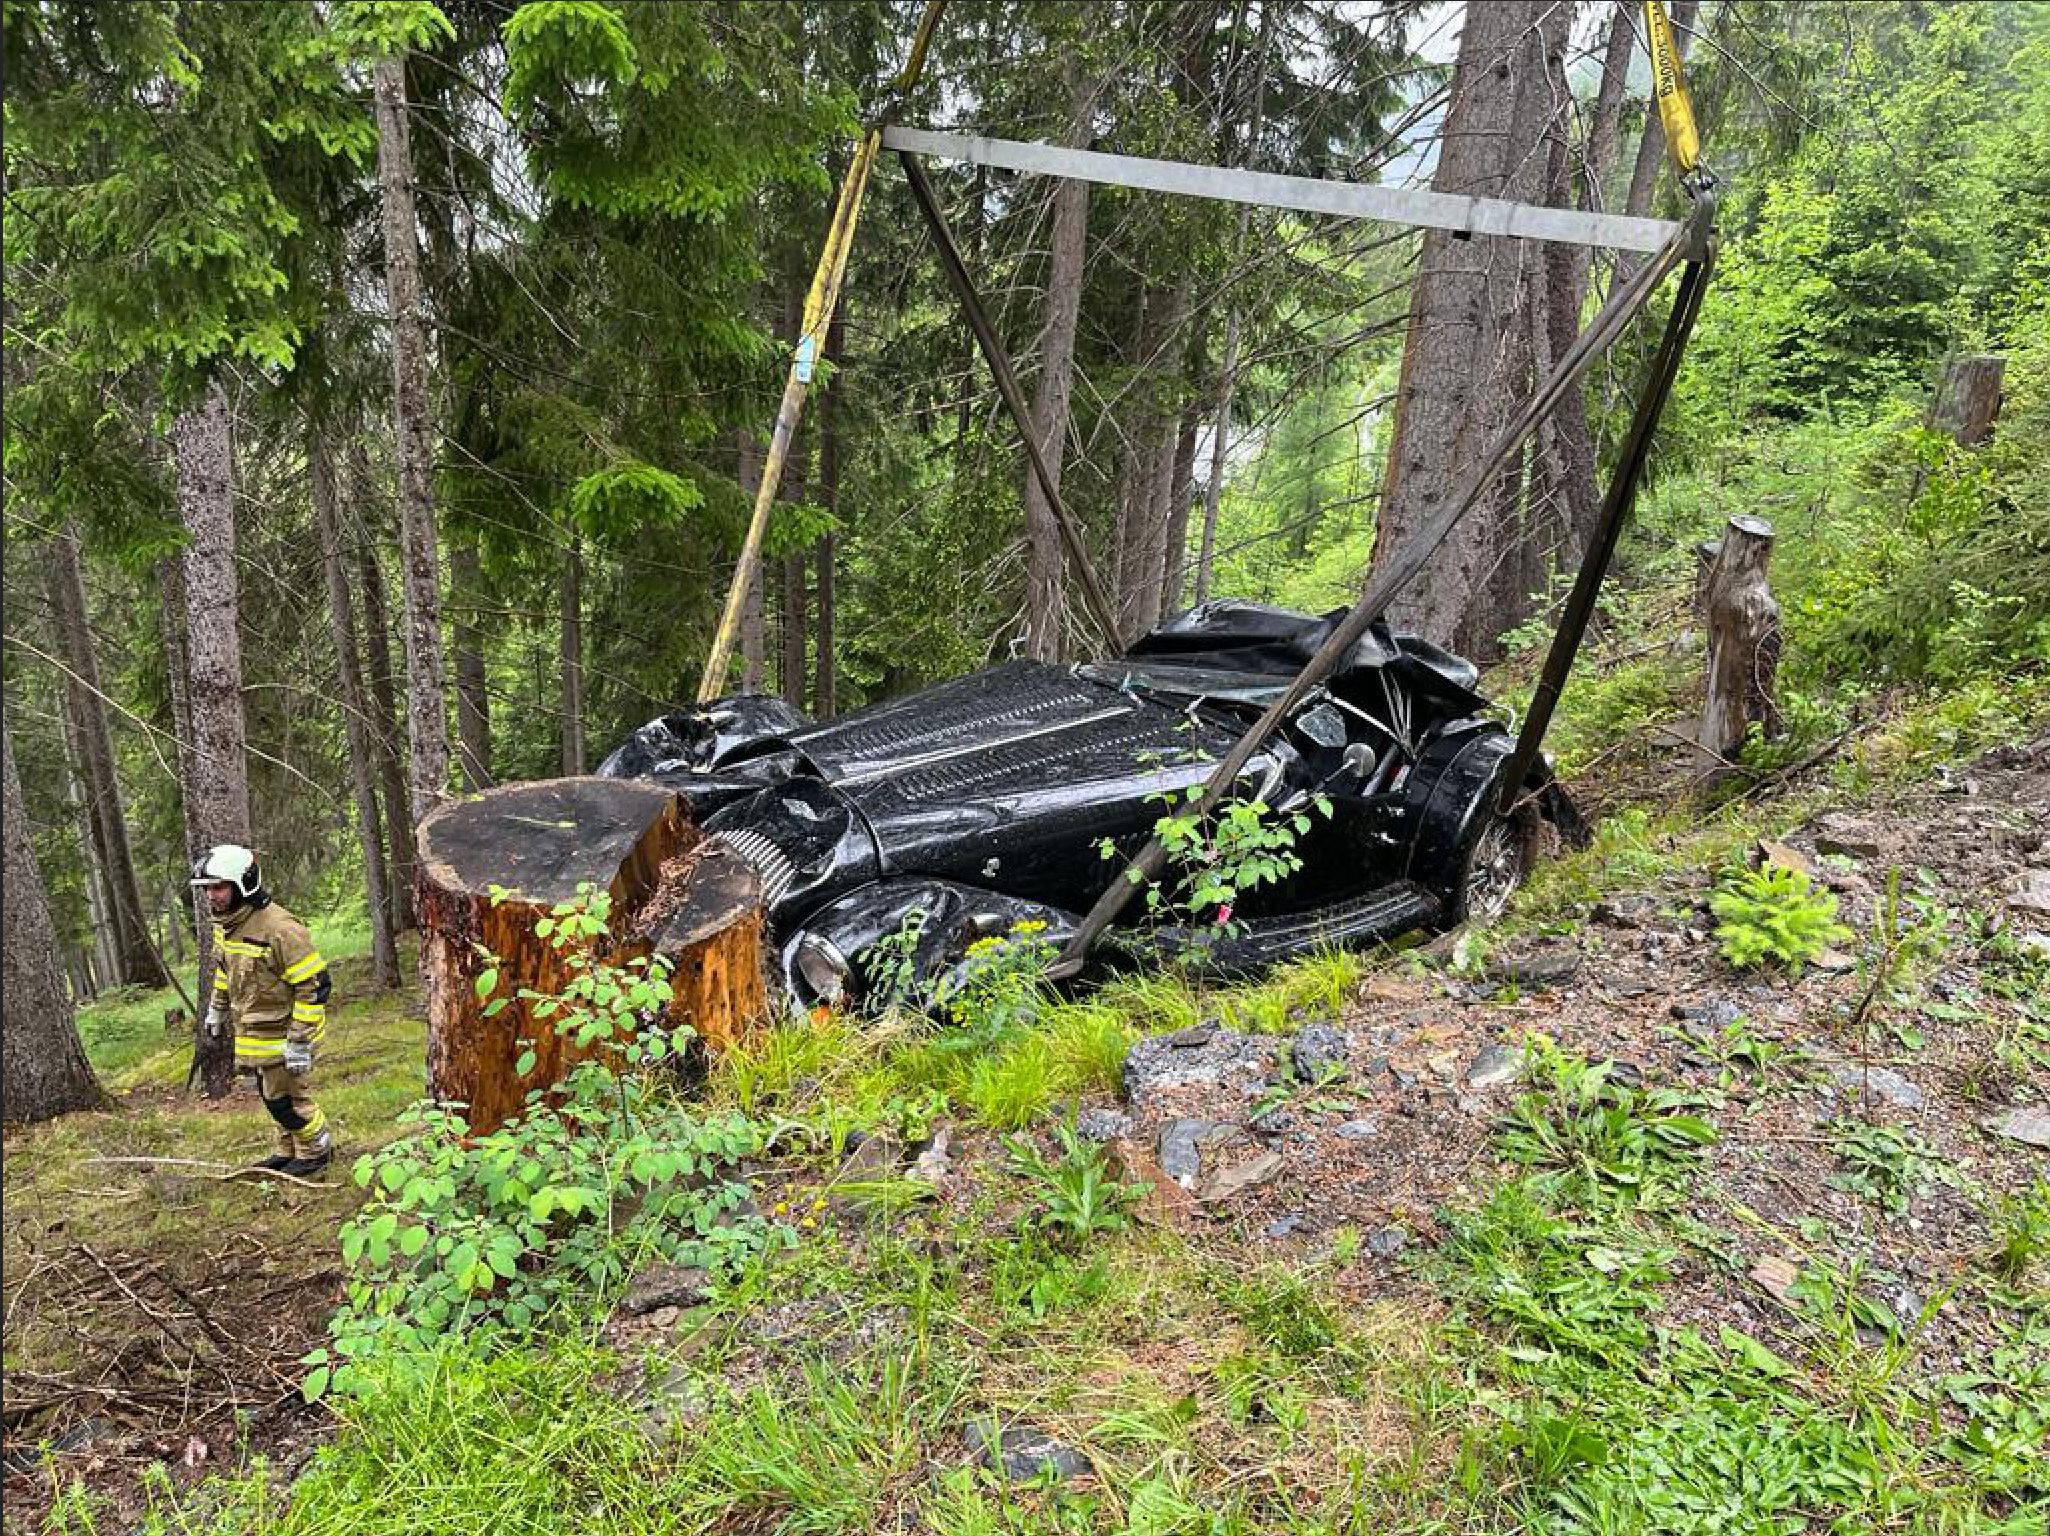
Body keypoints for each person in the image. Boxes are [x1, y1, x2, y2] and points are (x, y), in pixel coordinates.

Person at [191, 845, 334, 1175]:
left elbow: (315, 986)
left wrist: (299, 1041)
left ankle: (317, 1150)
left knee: (287, 1101)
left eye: (218, 887)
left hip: (286, 1033)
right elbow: (226, 972)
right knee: (272, 1096)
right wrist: (216, 1010)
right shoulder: (227, 925)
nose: (211, 896)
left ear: (243, 883)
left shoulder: (280, 929)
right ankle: (290, 1150)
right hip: (255, 1032)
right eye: (207, 889)